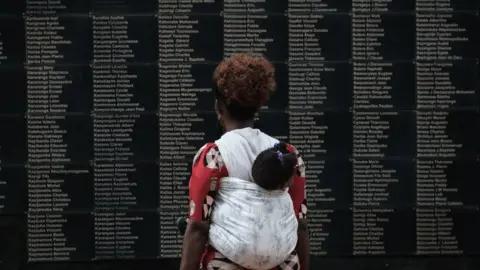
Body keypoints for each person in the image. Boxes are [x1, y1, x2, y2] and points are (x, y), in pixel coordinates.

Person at [179, 54, 309, 270]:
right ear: (258, 106)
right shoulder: (289, 155)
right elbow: (300, 225)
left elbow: (198, 228)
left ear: (218, 108)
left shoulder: (214, 156)